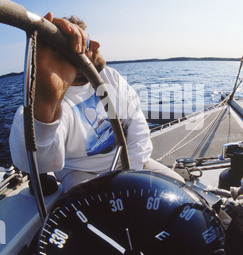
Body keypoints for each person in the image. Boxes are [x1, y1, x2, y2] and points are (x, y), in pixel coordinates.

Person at [9, 12, 183, 191]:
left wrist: (131, 174)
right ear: (66, 57)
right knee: (96, 211)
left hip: (129, 161)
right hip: (80, 173)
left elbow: (136, 123)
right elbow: (36, 160)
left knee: (179, 187)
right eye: (86, 44)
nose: (98, 45)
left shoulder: (109, 77)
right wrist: (46, 104)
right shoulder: (58, 101)